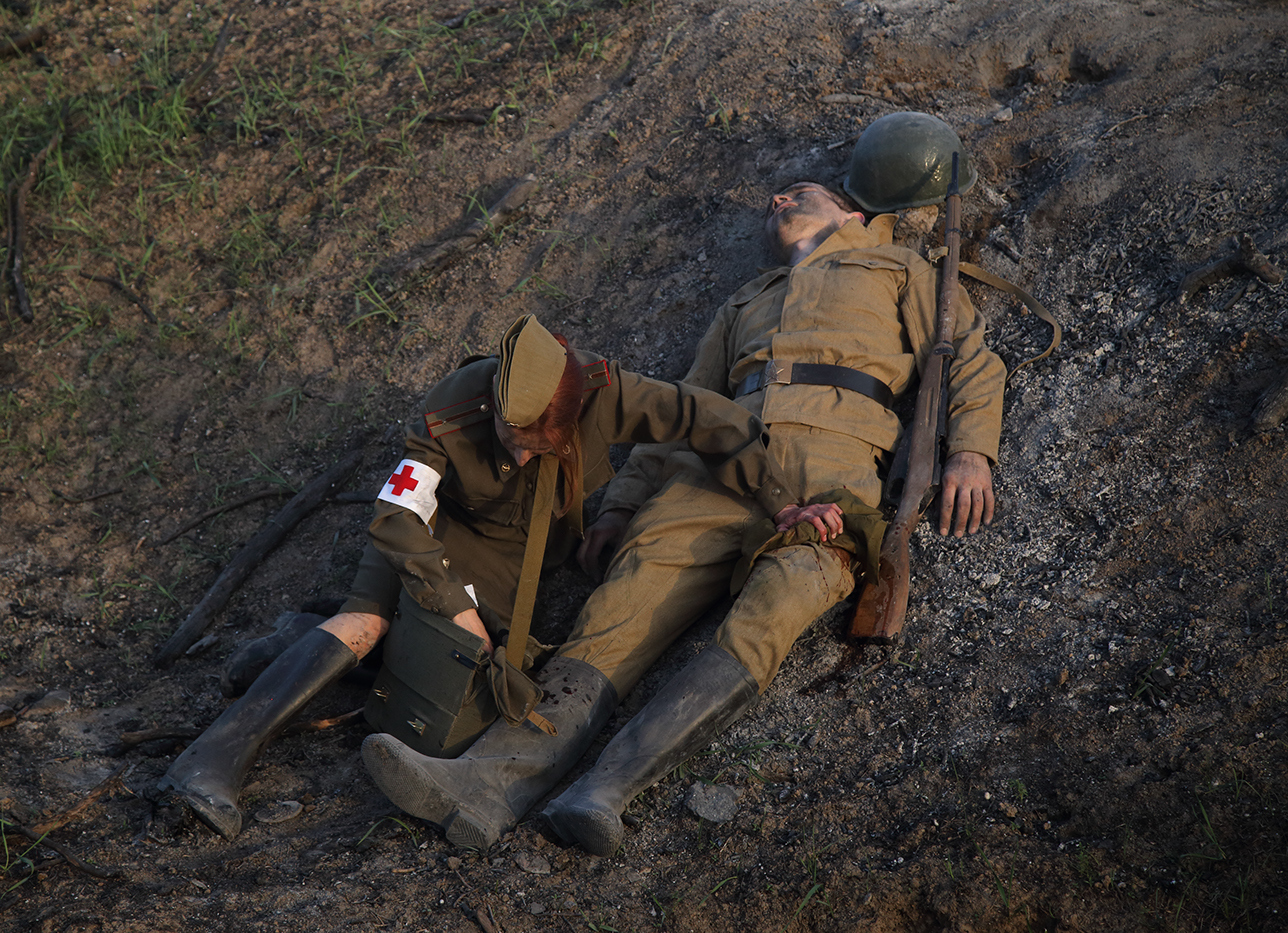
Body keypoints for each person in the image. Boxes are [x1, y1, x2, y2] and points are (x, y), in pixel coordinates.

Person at [361, 112, 1007, 856]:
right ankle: (486, 781)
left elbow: (970, 362)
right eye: (778, 198)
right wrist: (625, 507)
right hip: (715, 470)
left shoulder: (903, 271)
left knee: (780, 600)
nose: (779, 202)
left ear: (855, 213)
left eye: (800, 192)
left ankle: (607, 789)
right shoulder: (744, 301)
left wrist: (970, 455)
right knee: (619, 610)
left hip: (833, 463)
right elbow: (678, 412)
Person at [157, 313, 834, 839]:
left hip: (514, 563)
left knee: (460, 709)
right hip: (428, 538)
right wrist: (451, 604)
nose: (516, 449)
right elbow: (396, 516)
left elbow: (708, 418)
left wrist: (779, 499)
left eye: (533, 441)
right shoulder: (454, 408)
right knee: (367, 619)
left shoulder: (606, 393)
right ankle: (210, 760)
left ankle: (300, 645)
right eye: (508, 435)